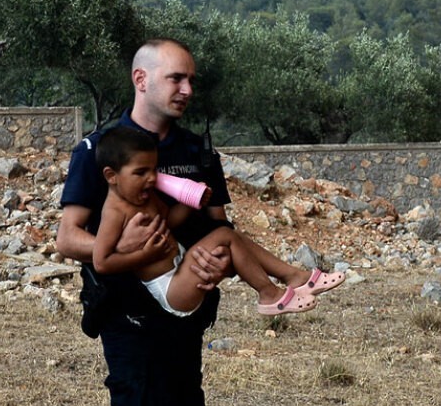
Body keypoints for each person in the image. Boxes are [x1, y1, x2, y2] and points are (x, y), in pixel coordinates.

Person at [58, 39, 246, 406]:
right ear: (141, 79)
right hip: (128, 320)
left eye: (191, 80)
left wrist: (214, 260)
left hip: (183, 316)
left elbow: (218, 227)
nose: (187, 89)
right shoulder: (101, 150)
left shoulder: (196, 152)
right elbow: (69, 238)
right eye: (176, 79)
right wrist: (123, 250)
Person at [93, 128, 343, 317]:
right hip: (170, 288)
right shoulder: (114, 211)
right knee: (225, 234)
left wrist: (193, 202)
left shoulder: (145, 196)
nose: (150, 179)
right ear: (111, 176)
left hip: (181, 267)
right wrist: (144, 255)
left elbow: (169, 221)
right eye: (140, 173)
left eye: (153, 170)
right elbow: (101, 262)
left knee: (230, 243)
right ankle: (270, 293)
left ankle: (296, 277)